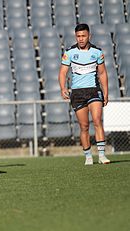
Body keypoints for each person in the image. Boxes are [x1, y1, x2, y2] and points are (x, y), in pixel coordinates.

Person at [58, 23, 110, 165]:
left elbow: (103, 73)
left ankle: (101, 155)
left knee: (97, 120)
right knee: (84, 126)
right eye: (78, 36)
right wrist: (63, 87)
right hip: (77, 93)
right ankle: (88, 156)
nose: (81, 39)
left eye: (83, 36)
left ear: (89, 36)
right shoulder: (69, 53)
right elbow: (62, 72)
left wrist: (106, 92)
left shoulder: (97, 52)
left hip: (94, 90)